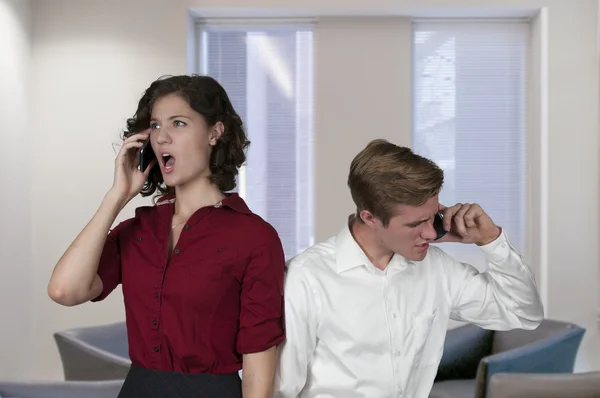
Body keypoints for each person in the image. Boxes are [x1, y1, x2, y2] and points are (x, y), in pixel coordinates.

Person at [47, 75, 286, 398]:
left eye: (178, 123)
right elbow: (64, 290)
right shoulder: (138, 230)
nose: (162, 138)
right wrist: (117, 196)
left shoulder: (255, 238)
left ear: (215, 132)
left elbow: (258, 357)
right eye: (156, 126)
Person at [274, 139, 544, 398]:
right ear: (370, 217)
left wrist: (491, 240)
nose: (429, 232)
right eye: (415, 224)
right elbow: (281, 388)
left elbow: (523, 314)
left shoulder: (437, 268)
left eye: (432, 217)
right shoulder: (306, 277)